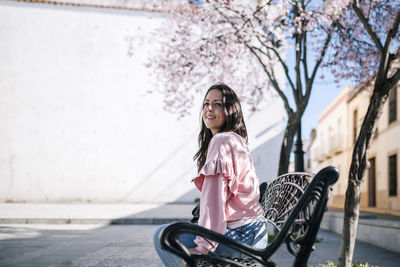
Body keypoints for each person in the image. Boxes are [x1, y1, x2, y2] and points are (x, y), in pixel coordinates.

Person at [153, 83, 268, 266]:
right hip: (254, 232)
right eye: (206, 103)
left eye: (217, 104)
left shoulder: (221, 140)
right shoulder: (235, 139)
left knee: (163, 236)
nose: (209, 109)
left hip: (242, 237)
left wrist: (203, 247)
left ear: (230, 110)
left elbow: (215, 201)